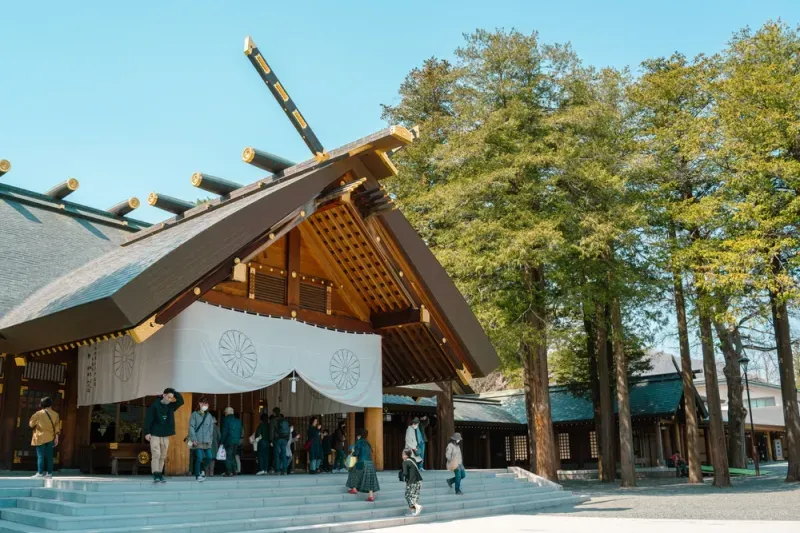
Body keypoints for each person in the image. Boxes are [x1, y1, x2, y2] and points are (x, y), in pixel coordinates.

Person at [144, 388, 184, 483]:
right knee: (156, 454)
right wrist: (147, 432)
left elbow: (181, 401)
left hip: (165, 435)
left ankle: (159, 474)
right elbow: (148, 419)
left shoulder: (171, 406)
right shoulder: (155, 406)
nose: (170, 399)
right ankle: (155, 474)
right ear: (164, 395)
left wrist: (174, 392)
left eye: (171, 398)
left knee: (163, 455)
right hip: (155, 434)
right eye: (168, 397)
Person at [29, 397, 61, 479]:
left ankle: (40, 473)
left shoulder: (38, 414)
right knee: (50, 456)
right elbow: (57, 427)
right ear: (51, 404)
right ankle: (49, 473)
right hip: (50, 437)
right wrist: (56, 437)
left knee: (40, 455)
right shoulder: (55, 414)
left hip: (40, 436)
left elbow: (31, 424)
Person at [346, 429, 380, 502]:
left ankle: (354, 488)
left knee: (352, 471)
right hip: (370, 463)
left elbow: (356, 453)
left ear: (359, 435)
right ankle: (371, 496)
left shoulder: (359, 442)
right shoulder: (368, 443)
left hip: (362, 462)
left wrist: (352, 451)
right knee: (369, 478)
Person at [187, 396, 216, 482]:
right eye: (203, 403)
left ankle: (202, 470)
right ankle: (197, 475)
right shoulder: (194, 414)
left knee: (210, 457)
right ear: (200, 404)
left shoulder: (209, 416)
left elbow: (211, 428)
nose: (205, 405)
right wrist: (193, 438)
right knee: (199, 457)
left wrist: (210, 438)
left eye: (206, 404)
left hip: (207, 440)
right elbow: (191, 427)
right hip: (197, 440)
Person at [220, 407, 242, 477]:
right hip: (236, 441)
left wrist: (221, 442)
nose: (225, 414)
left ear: (227, 413)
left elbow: (224, 432)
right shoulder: (238, 421)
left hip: (229, 441)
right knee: (232, 455)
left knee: (227, 456)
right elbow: (240, 432)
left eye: (225, 413)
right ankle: (234, 470)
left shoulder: (226, 420)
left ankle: (229, 472)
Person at [401, 448, 423, 516]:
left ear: (405, 455)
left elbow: (405, 473)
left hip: (412, 482)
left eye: (403, 454)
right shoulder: (413, 460)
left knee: (408, 495)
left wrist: (401, 474)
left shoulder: (405, 462)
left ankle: (417, 506)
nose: (402, 455)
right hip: (419, 481)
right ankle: (413, 512)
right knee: (414, 496)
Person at [270, 407, 290, 475]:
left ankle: (278, 470)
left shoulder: (273, 420)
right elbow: (288, 430)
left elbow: (271, 431)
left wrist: (271, 440)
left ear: (274, 412)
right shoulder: (284, 419)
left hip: (277, 439)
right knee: (284, 455)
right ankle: (284, 470)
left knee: (277, 455)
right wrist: (287, 439)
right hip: (284, 439)